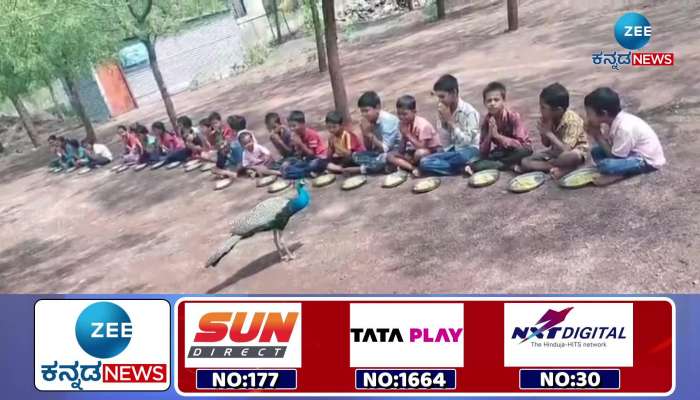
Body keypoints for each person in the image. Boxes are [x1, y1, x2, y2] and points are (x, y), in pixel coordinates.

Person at [583, 87, 666, 186]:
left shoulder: (624, 128)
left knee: (606, 165)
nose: (587, 117)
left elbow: (615, 157)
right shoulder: (613, 121)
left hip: (646, 161)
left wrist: (597, 135)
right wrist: (597, 134)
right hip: (629, 154)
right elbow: (611, 145)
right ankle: (618, 171)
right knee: (596, 151)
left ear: (604, 113)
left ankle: (619, 174)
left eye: (589, 114)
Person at [519, 83, 588, 178]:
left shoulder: (572, 121)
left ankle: (559, 166)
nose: (540, 110)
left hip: (573, 152)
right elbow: (546, 144)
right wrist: (543, 133)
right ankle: (558, 167)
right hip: (555, 153)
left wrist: (548, 132)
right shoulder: (548, 118)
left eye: (543, 108)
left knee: (572, 156)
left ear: (558, 110)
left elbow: (567, 149)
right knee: (525, 162)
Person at [419, 74, 480, 176]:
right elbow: (446, 143)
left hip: (470, 150)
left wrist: (451, 122)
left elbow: (467, 141)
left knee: (461, 157)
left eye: (442, 96)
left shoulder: (469, 112)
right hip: (453, 151)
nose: (440, 101)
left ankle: (462, 166)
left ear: (454, 93)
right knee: (424, 162)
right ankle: (461, 169)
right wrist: (443, 122)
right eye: (438, 97)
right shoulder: (444, 111)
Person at [466, 81, 532, 174]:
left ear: (503, 100)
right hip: (502, 153)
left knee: (525, 151)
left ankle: (499, 165)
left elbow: (521, 145)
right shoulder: (487, 121)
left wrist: (498, 136)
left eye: (496, 100)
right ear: (484, 103)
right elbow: (483, 152)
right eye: (489, 101)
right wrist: (490, 134)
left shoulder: (513, 117)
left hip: (518, 151)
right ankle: (507, 165)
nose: (492, 103)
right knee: (481, 159)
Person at [345, 91, 400, 175]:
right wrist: (365, 134)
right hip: (379, 152)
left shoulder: (388, 121)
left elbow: (385, 148)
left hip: (395, 152)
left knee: (384, 158)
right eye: (362, 111)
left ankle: (361, 169)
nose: (364, 114)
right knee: (354, 156)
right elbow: (369, 148)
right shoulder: (368, 121)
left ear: (377, 108)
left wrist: (369, 134)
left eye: (366, 111)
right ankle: (379, 167)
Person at [387, 95, 441, 177]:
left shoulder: (423, 125)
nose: (401, 117)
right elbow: (401, 149)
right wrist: (404, 137)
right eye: (399, 114)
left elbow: (422, 146)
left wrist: (407, 134)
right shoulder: (404, 123)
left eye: (405, 114)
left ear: (414, 112)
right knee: (390, 155)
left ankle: (408, 166)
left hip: (431, 152)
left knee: (420, 153)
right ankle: (413, 168)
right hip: (413, 153)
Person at [280, 110, 328, 179]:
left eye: (294, 126)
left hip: (319, 158)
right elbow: (300, 155)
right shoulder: (297, 135)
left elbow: (312, 154)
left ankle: (305, 172)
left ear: (303, 124)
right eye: (290, 126)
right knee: (290, 165)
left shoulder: (311, 134)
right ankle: (307, 172)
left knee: (313, 164)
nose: (292, 129)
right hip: (307, 159)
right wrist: (296, 146)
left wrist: (300, 143)